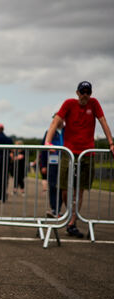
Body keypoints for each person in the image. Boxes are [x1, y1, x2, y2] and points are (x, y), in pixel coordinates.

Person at [45, 80, 114, 237]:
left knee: (79, 189)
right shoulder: (69, 103)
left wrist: (111, 142)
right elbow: (56, 121)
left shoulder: (94, 104)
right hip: (69, 152)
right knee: (64, 188)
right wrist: (48, 141)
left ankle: (72, 222)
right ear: (77, 93)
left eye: (88, 92)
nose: (85, 95)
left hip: (86, 153)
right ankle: (69, 214)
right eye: (82, 92)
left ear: (91, 94)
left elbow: (103, 121)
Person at [40, 116, 64, 217]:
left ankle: (65, 210)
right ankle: (55, 209)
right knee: (53, 186)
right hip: (52, 162)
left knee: (64, 187)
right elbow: (43, 149)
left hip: (65, 161)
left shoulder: (67, 131)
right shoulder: (49, 132)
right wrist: (43, 165)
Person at [0, 123, 13, 202]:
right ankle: (3, 197)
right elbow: (12, 150)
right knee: (4, 178)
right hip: (6, 160)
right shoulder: (8, 139)